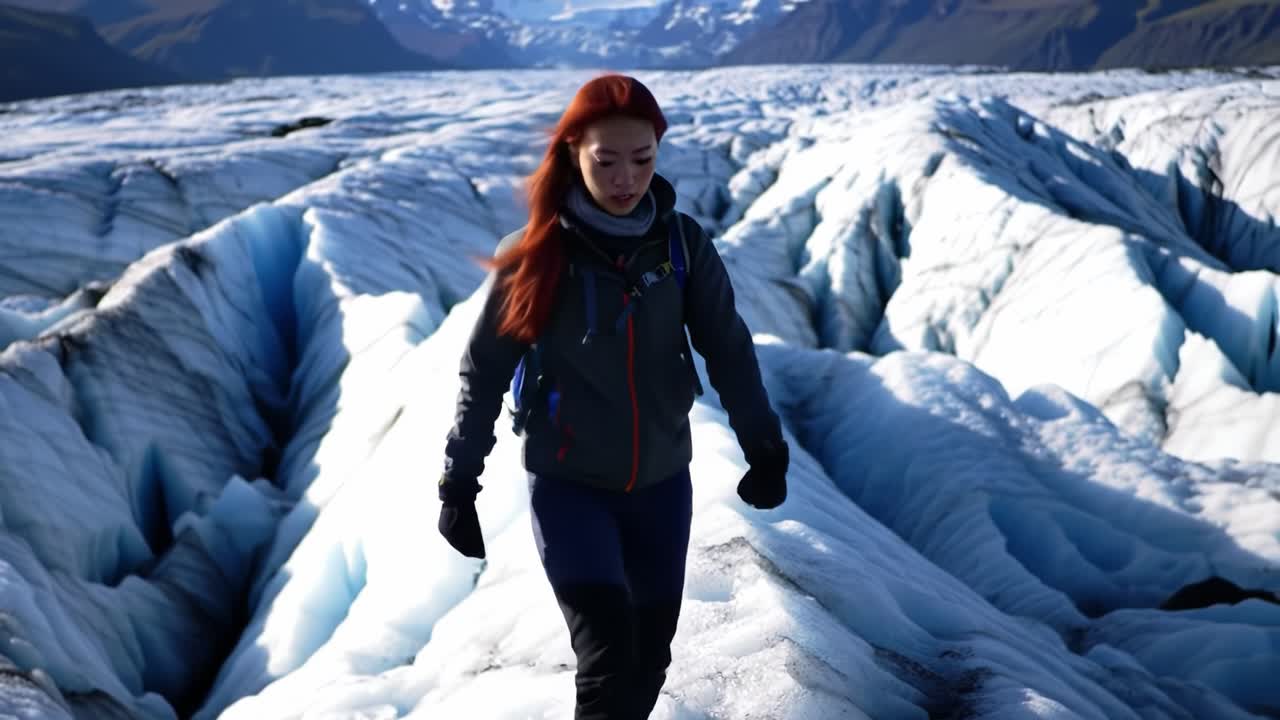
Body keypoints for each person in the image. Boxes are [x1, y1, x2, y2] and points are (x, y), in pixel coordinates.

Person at [435, 73, 790, 720]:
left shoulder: (682, 246)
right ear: (574, 152)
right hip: (571, 488)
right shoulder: (535, 256)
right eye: (607, 161)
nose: (626, 177)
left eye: (642, 159)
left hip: (661, 486)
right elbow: (484, 372)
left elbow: (729, 349)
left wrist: (764, 445)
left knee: (649, 660)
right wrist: (459, 483)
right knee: (607, 660)